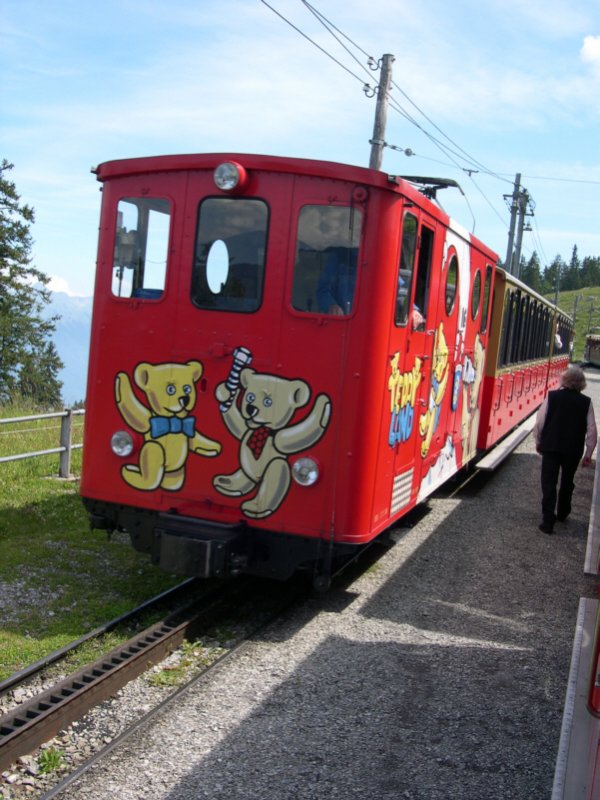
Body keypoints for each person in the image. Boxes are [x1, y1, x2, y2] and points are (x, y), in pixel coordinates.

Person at [533, 365, 597, 534]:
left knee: (549, 482)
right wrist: (588, 453)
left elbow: (540, 421)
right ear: (581, 384)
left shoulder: (552, 397)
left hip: (551, 447)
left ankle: (548, 521)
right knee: (567, 481)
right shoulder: (586, 403)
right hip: (572, 450)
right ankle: (562, 512)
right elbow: (592, 431)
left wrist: (538, 441)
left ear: (564, 380)